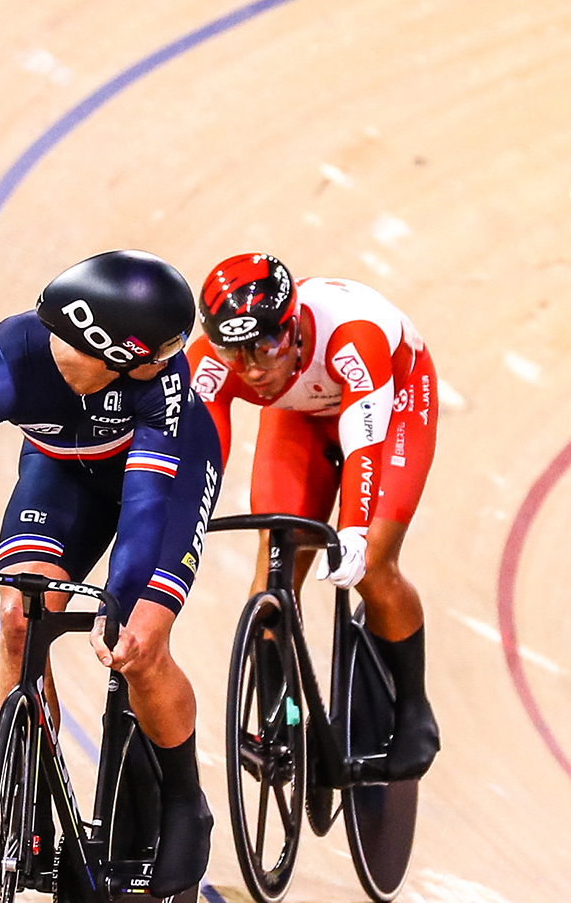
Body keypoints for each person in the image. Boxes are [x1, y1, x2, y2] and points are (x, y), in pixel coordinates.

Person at [0, 250, 221, 896]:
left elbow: (143, 508)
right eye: (161, 351)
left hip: (167, 474)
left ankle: (185, 803)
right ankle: (31, 801)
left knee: (139, 644)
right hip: (62, 469)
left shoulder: (160, 384)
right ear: (110, 346)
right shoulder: (7, 360)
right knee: (21, 618)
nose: (174, 362)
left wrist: (118, 606)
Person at [188, 253, 440, 780]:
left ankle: (414, 709)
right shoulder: (211, 361)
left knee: (373, 561)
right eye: (236, 354)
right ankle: (284, 719)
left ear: (294, 326)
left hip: (389, 409)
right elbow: (196, 450)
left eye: (265, 348)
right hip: (299, 419)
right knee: (273, 573)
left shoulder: (353, 336)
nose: (253, 370)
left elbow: (363, 444)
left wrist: (351, 530)